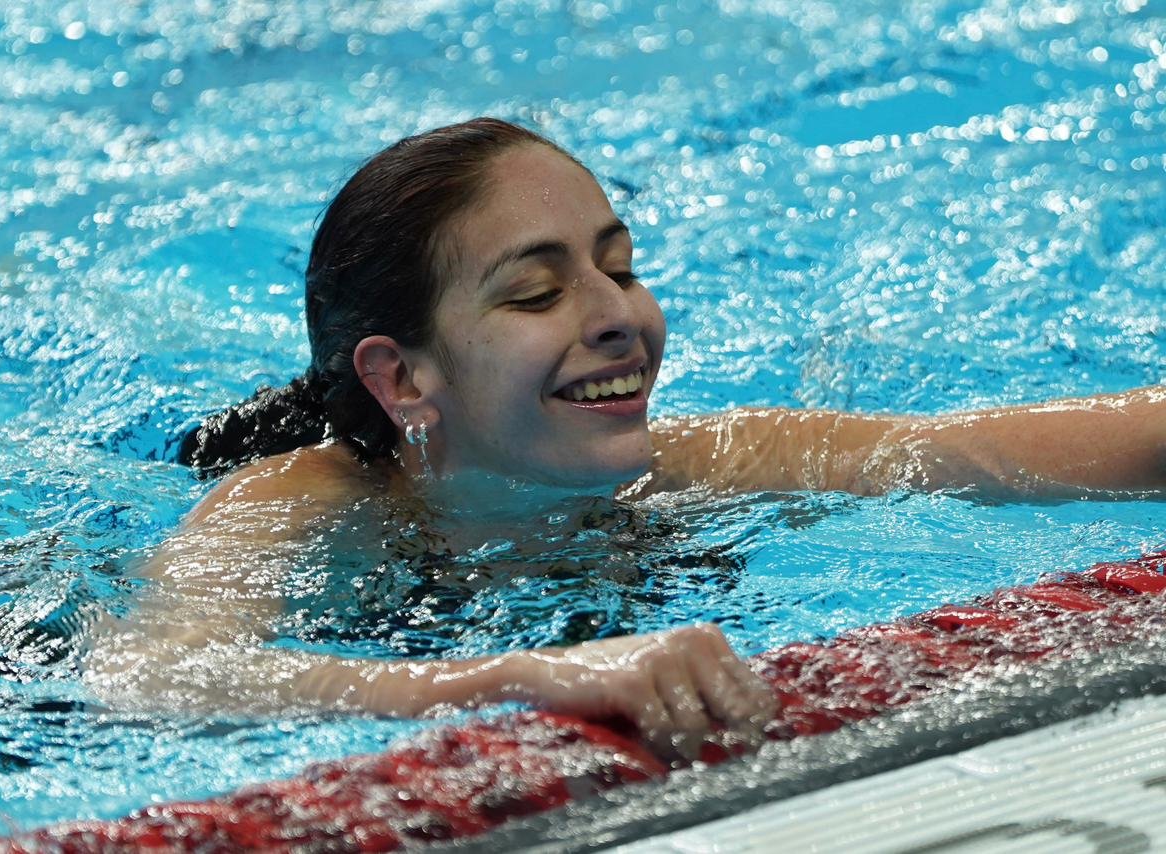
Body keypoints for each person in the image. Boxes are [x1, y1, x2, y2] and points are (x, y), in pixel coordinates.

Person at [85, 117, 1165, 761]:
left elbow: (981, 450)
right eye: (539, 290)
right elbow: (149, 674)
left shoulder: (699, 466)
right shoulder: (294, 506)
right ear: (401, 375)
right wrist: (516, 675)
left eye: (619, 264)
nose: (617, 315)